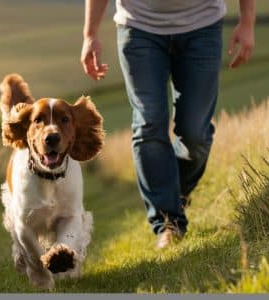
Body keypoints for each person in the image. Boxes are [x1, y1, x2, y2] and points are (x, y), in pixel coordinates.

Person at [81, 0, 255, 248]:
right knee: (149, 123)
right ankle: (167, 222)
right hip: (139, 27)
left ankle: (175, 193)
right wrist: (90, 34)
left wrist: (247, 22)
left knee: (195, 134)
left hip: (202, 26)